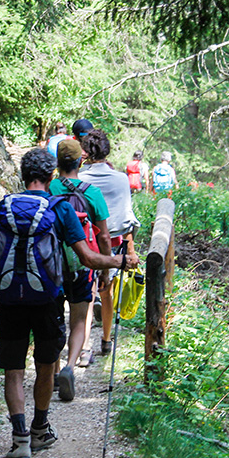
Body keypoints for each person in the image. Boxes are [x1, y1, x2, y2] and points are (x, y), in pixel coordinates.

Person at [0, 148, 128, 458]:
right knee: (46, 365)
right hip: (48, 298)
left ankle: (19, 439)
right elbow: (88, 258)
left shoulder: (6, 204)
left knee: (13, 371)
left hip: (9, 298)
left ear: (23, 176)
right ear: (51, 177)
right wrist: (121, 260)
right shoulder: (59, 208)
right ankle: (39, 430)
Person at [49, 138, 112, 401]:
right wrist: (105, 268)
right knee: (77, 318)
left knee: (52, 319)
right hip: (80, 265)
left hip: (51, 265)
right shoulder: (92, 192)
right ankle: (69, 366)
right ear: (80, 161)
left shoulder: (49, 187)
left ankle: (52, 369)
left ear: (57, 163)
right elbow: (105, 237)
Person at [79, 130, 140, 356]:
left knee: (88, 293)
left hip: (83, 242)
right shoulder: (121, 179)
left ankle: (84, 348)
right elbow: (127, 219)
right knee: (107, 293)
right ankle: (105, 340)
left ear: (85, 152)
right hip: (113, 244)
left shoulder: (80, 178)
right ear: (107, 151)